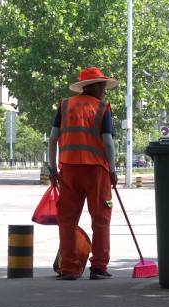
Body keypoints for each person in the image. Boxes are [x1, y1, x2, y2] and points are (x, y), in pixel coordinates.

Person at [48, 67, 119, 280]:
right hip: (97, 170)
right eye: (103, 86)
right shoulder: (102, 107)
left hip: (69, 170)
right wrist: (114, 169)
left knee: (67, 220)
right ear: (95, 86)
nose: (105, 91)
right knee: (101, 219)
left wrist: (52, 168)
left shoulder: (65, 105)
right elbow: (107, 141)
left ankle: (69, 268)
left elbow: (53, 139)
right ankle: (98, 267)